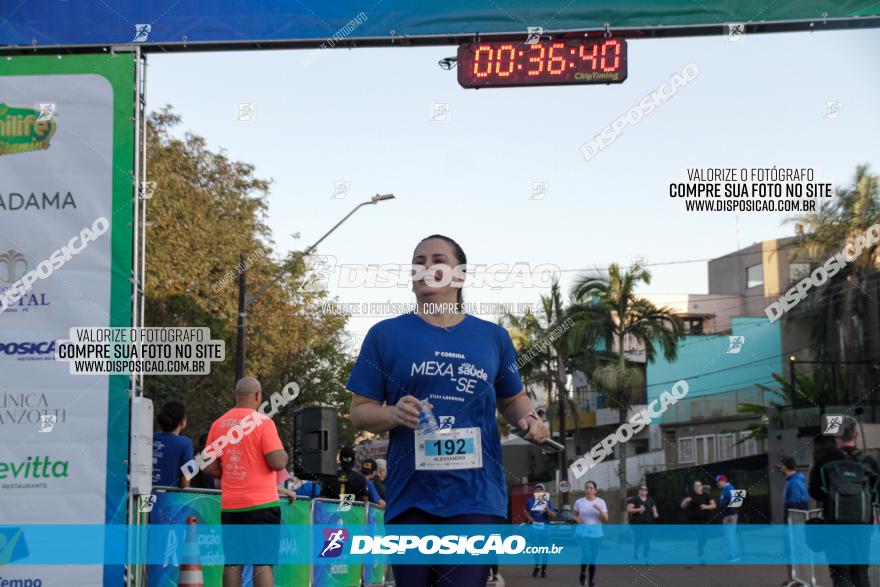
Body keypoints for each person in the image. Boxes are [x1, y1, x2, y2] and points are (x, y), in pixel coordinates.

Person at [347, 234, 549, 587]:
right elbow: (360, 412)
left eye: (437, 259)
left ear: (460, 275)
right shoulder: (384, 335)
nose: (426, 267)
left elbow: (511, 398)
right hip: (410, 495)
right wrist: (393, 414)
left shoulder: (493, 338)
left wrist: (528, 418)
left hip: (476, 494)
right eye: (418, 261)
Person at [204, 377, 288, 587]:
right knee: (263, 563)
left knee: (232, 562)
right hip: (262, 504)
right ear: (258, 396)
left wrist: (229, 474)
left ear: (236, 396)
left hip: (231, 504)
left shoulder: (218, 424)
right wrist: (284, 455)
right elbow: (277, 462)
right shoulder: (263, 422)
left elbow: (208, 465)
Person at [808, 416, 880, 587]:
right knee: (860, 570)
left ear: (836, 436)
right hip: (863, 525)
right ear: (856, 434)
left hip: (834, 524)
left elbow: (815, 492)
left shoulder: (824, 461)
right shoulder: (869, 461)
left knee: (840, 571)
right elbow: (876, 493)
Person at [779, 455, 809, 586]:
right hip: (794, 524)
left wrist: (791, 526)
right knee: (791, 552)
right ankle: (794, 580)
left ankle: (802, 581)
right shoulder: (794, 481)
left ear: (785, 466)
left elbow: (796, 505)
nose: (779, 467)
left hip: (794, 525)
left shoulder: (794, 483)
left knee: (798, 552)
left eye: (781, 465)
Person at [573, 481, 608, 587]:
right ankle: (583, 572)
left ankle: (591, 581)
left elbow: (605, 519)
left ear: (595, 490)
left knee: (593, 557)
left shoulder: (601, 502)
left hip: (597, 534)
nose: (588, 490)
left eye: (591, 488)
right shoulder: (579, 502)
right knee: (586, 554)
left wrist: (599, 510)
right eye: (586, 488)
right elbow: (574, 515)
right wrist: (577, 519)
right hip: (582, 534)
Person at [152, 400, 194, 488]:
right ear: (182, 421)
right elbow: (185, 482)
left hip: (144, 495)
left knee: (146, 503)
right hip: (169, 498)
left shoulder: (148, 438)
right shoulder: (185, 443)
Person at [524, 483, 556, 578]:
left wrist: (546, 507)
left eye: (540, 490)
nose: (538, 491)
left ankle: (544, 569)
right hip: (534, 529)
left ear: (544, 492)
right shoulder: (529, 501)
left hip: (546, 529)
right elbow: (525, 511)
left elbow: (553, 516)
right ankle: (537, 565)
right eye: (536, 490)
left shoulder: (548, 501)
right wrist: (530, 519)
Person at [680, 480, 716, 565]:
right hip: (693, 520)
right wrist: (686, 501)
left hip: (704, 520)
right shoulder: (690, 495)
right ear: (694, 487)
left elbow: (714, 505)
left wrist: (706, 506)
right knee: (700, 535)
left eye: (699, 486)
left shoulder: (706, 495)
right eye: (695, 486)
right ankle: (701, 556)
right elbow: (682, 506)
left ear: (701, 487)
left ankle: (699, 549)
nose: (697, 487)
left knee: (705, 539)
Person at [627, 484, 659, 562]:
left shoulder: (650, 499)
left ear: (647, 491)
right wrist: (638, 509)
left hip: (648, 523)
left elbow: (653, 507)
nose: (644, 491)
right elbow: (629, 509)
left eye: (645, 490)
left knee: (647, 540)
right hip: (637, 523)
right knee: (639, 539)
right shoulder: (634, 499)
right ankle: (636, 549)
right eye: (642, 489)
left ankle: (645, 557)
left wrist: (655, 513)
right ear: (639, 491)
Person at [715, 474, 740, 562]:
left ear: (723, 481)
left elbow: (737, 501)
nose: (717, 483)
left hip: (730, 516)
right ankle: (732, 554)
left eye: (718, 481)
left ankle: (733, 555)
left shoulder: (729, 488)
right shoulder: (725, 489)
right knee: (729, 536)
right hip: (727, 515)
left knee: (730, 536)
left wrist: (731, 514)